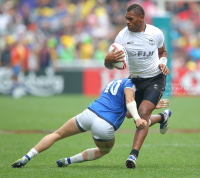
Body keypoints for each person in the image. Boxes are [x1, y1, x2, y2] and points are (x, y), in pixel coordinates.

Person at [12, 78, 171, 168]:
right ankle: (69, 161)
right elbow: (130, 104)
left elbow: (128, 111)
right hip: (104, 124)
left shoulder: (113, 82)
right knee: (103, 151)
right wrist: (139, 115)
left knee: (57, 134)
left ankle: (26, 157)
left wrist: (146, 106)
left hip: (88, 113)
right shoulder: (130, 85)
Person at [104, 4, 171, 169]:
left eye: (130, 19)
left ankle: (133, 156)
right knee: (129, 114)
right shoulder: (121, 36)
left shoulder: (155, 33)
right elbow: (110, 65)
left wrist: (162, 63)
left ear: (142, 18)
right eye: (126, 18)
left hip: (155, 78)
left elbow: (163, 52)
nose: (127, 22)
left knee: (142, 113)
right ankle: (163, 117)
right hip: (134, 80)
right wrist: (108, 60)